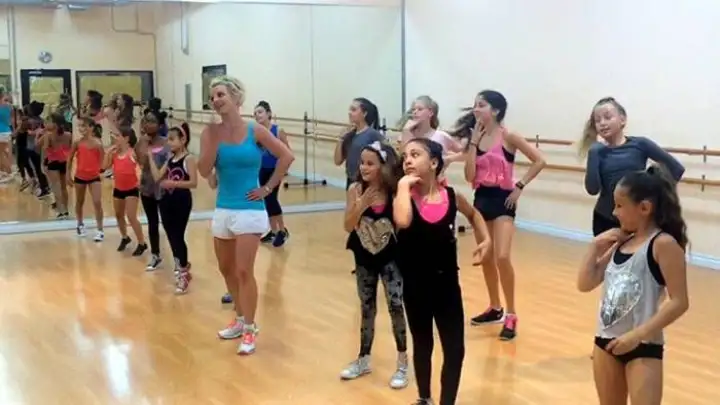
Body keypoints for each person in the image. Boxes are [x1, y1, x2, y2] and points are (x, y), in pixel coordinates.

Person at [577, 164, 689, 405]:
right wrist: (594, 247)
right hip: (605, 342)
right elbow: (585, 284)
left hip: (643, 344)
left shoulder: (663, 244)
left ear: (644, 208)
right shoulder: (621, 242)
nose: (614, 212)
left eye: (619, 205)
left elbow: (679, 302)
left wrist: (637, 336)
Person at [198, 75, 294, 355]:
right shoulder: (210, 133)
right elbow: (203, 170)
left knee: (243, 270)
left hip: (250, 209)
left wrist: (268, 188)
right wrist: (212, 141)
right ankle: (240, 319)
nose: (216, 100)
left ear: (236, 98)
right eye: (213, 97)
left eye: (221, 95)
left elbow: (286, 157)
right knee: (226, 269)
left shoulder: (255, 130)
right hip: (223, 208)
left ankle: (250, 328)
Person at [394, 138, 491, 405]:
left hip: (447, 286)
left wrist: (486, 239)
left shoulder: (452, 196)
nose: (408, 160)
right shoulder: (403, 198)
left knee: (455, 349)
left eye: (415, 155)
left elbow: (474, 214)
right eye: (405, 156)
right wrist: (402, 186)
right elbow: (402, 220)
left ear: (434, 163)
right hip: (416, 287)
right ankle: (424, 397)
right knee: (423, 345)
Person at [461, 90, 547, 341]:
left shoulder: (508, 136)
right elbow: (469, 176)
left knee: (502, 256)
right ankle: (494, 307)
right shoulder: (475, 138)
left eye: (481, 105)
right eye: (475, 105)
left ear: (496, 110)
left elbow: (539, 160)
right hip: (481, 199)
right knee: (487, 257)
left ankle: (511, 314)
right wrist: (473, 144)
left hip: (503, 199)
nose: (476, 109)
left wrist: (520, 186)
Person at [341, 141, 408, 389]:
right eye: (362, 163)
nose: (364, 167)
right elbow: (348, 225)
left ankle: (403, 362)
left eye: (370, 163)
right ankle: (363, 359)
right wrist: (360, 205)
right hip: (364, 256)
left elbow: (401, 227)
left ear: (383, 166)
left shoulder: (394, 192)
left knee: (395, 305)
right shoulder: (355, 189)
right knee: (367, 306)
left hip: (390, 257)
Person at [580, 97, 685, 236]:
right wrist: (593, 154)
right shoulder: (597, 151)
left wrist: (655, 195)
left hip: (637, 221)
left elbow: (676, 169)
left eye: (608, 117)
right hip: (605, 220)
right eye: (597, 120)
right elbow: (592, 190)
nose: (602, 123)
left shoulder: (640, 145)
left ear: (622, 119)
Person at [148, 122, 197, 294]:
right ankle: (182, 265)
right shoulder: (169, 159)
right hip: (167, 200)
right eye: (168, 139)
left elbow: (193, 183)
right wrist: (150, 158)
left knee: (178, 236)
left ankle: (183, 271)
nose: (169, 143)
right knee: (170, 235)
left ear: (183, 140)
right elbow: (157, 177)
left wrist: (173, 183)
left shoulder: (188, 159)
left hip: (181, 200)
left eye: (172, 139)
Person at [104, 126, 147, 256]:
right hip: (118, 189)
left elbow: (140, 168)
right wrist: (108, 153)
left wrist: (140, 180)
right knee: (118, 215)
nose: (115, 138)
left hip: (131, 189)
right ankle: (125, 237)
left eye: (118, 136)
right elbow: (104, 167)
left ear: (126, 138)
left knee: (131, 216)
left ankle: (142, 243)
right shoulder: (114, 154)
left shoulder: (132, 153)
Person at [137, 110, 170, 271]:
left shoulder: (166, 142)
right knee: (152, 222)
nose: (148, 125)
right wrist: (145, 143)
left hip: (164, 188)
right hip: (147, 186)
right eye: (146, 121)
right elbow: (141, 162)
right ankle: (155, 254)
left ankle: (178, 257)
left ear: (160, 125)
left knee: (169, 222)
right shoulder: (141, 142)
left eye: (152, 122)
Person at [254, 100, 291, 247]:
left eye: (260, 112)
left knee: (271, 199)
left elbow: (288, 152)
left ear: (268, 113)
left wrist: (284, 170)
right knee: (266, 199)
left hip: (275, 170)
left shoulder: (277, 130)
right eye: (255, 113)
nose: (257, 115)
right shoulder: (257, 132)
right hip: (262, 169)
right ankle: (273, 230)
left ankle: (282, 230)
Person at [67, 117, 105, 241]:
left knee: (97, 202)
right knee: (79, 201)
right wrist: (68, 174)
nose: (81, 128)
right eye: (79, 126)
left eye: (83, 126)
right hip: (80, 176)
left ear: (91, 127)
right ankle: (80, 224)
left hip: (94, 177)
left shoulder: (98, 143)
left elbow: (103, 160)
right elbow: (70, 158)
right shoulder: (77, 143)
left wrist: (101, 172)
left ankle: (100, 229)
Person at [334, 98, 384, 190]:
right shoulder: (349, 135)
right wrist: (340, 139)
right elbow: (338, 161)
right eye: (349, 109)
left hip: (367, 182)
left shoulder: (373, 135)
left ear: (364, 114)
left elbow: (385, 160)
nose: (349, 113)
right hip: (351, 181)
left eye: (353, 110)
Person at [41, 113, 72, 219]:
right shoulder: (68, 135)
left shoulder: (48, 135)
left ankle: (60, 210)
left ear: (55, 123)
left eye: (50, 121)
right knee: (63, 187)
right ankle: (66, 210)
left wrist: (43, 163)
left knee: (56, 186)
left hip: (53, 161)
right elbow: (70, 149)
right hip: (64, 161)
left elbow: (45, 150)